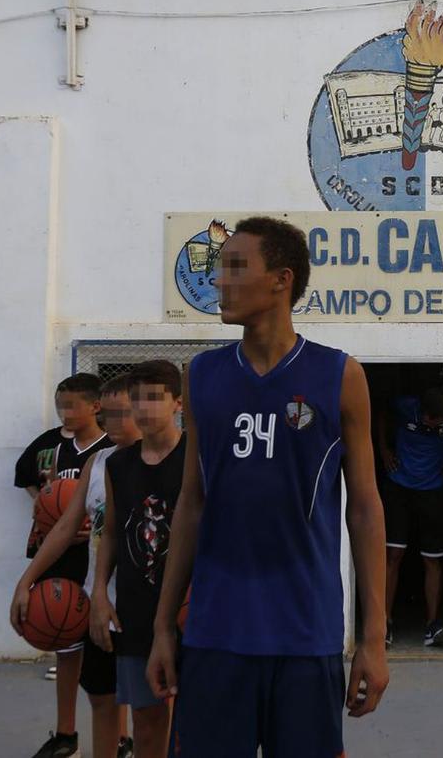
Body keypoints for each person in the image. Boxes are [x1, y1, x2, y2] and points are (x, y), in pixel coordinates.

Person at [146, 216, 389, 757]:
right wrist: (164, 625)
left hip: (306, 633)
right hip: (215, 631)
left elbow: (366, 509)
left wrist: (373, 640)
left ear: (281, 279)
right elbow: (192, 503)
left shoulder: (339, 375)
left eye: (236, 267)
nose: (219, 282)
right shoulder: (202, 374)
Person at [12, 374, 140, 758]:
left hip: (130, 587)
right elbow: (57, 513)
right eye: (59, 405)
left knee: (139, 688)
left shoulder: (145, 457)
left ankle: (125, 741)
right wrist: (47, 506)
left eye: (122, 414)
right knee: (85, 670)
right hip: (81, 576)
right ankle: (69, 736)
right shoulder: (69, 453)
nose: (64, 413)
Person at [90, 361, 186, 758]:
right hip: (135, 608)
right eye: (136, 399)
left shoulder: (198, 458)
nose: (143, 408)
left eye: (153, 398)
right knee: (146, 723)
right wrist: (99, 594)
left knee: (196, 724)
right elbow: (111, 532)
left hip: (189, 607)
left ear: (178, 403)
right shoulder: (117, 464)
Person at [379, 385, 443, 647]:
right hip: (399, 488)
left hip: (433, 491)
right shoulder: (405, 405)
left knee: (433, 559)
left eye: (441, 421)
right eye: (432, 421)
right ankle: (384, 623)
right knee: (392, 555)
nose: (436, 425)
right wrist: (384, 449)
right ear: (422, 412)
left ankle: (432, 625)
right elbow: (381, 413)